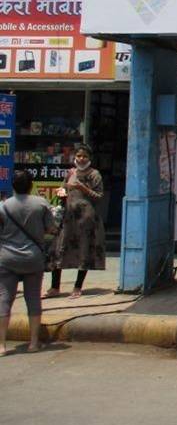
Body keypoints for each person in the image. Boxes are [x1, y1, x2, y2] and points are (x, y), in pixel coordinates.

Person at [1, 170, 57, 353]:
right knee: (33, 298)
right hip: (33, 258)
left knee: (4, 299)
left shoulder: (3, 206)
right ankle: (33, 343)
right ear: (31, 185)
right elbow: (51, 228)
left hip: (7, 258)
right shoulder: (41, 203)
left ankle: (1, 345)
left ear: (13, 186)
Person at [45, 143, 104, 299]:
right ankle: (55, 287)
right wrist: (61, 193)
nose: (81, 159)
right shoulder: (70, 172)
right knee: (59, 249)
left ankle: (78, 287)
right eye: (79, 156)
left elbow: (99, 196)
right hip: (68, 217)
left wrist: (84, 189)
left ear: (89, 158)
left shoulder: (94, 174)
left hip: (86, 218)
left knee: (84, 250)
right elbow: (64, 188)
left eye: (84, 156)